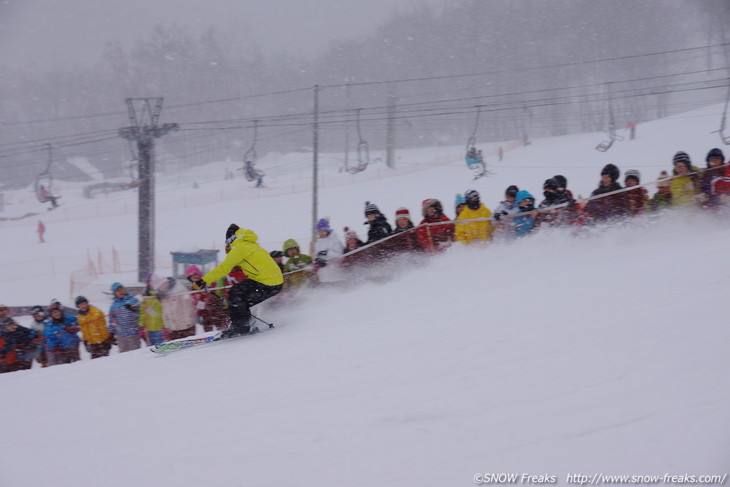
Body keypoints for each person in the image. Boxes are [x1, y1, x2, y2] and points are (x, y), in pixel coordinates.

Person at [190, 224, 283, 339]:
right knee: (239, 294)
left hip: (268, 283)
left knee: (236, 294)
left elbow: (224, 268)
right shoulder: (249, 243)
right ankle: (244, 323)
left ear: (231, 239)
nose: (227, 245)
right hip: (270, 281)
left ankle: (240, 327)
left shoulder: (240, 248)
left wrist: (203, 281)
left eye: (227, 242)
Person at [186, 265, 227, 333]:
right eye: (192, 276)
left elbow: (216, 289)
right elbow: (195, 301)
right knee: (207, 325)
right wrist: (198, 313)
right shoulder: (193, 289)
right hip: (204, 311)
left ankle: (223, 331)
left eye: (196, 274)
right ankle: (208, 335)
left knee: (220, 322)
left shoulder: (207, 281)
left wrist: (213, 298)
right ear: (190, 278)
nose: (195, 277)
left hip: (215, 306)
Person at [44, 300, 81, 366]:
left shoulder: (68, 318)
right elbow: (50, 337)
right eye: (54, 313)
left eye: (57, 312)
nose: (56, 314)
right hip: (62, 348)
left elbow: (78, 322)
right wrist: (55, 347)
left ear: (60, 311)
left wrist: (73, 328)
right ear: (51, 315)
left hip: (74, 345)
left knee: (78, 363)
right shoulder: (50, 325)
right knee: (65, 366)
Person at [108, 282, 141, 353]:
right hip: (121, 335)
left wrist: (134, 310)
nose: (121, 291)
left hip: (133, 333)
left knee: (136, 352)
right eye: (118, 290)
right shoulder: (114, 306)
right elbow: (112, 320)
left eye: (121, 289)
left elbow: (141, 314)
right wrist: (111, 333)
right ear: (114, 293)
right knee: (123, 354)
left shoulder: (133, 300)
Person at [312, 218, 345, 283]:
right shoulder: (317, 244)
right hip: (323, 277)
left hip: (336, 275)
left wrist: (327, 253)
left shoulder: (335, 241)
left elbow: (340, 256)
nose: (321, 233)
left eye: (323, 231)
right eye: (319, 231)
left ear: (327, 231)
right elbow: (316, 256)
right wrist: (318, 261)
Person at [139, 281, 165, 345]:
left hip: (160, 327)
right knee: (152, 346)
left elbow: (161, 310)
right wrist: (141, 326)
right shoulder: (145, 297)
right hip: (149, 329)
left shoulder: (161, 294)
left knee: (161, 345)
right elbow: (142, 313)